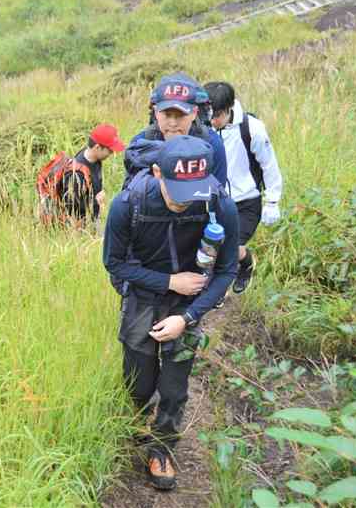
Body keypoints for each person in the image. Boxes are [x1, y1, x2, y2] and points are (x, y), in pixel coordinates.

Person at [103, 135, 239, 491]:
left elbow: (225, 271)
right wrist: (168, 281)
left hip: (189, 301)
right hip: (144, 295)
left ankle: (162, 448)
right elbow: (113, 262)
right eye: (178, 192)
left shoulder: (220, 205)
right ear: (157, 173)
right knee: (139, 380)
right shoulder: (128, 204)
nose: (185, 203)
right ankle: (137, 423)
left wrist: (188, 317)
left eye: (194, 192)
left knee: (174, 385)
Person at [204, 81, 284, 294]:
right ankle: (215, 289)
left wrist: (273, 200)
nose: (213, 121)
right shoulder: (203, 128)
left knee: (230, 248)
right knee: (210, 247)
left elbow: (269, 164)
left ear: (229, 108)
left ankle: (245, 265)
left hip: (246, 200)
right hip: (215, 199)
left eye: (217, 115)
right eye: (209, 115)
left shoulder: (252, 128)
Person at [126, 72, 228, 188]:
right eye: (167, 115)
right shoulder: (140, 145)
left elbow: (219, 198)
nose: (173, 123)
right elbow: (129, 198)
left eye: (180, 115)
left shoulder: (212, 144)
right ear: (156, 112)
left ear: (194, 113)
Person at [38, 124, 125, 228]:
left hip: (93, 218)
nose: (111, 153)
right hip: (80, 227)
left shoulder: (95, 159)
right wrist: (96, 202)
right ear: (97, 147)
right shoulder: (76, 175)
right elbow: (72, 212)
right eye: (110, 150)